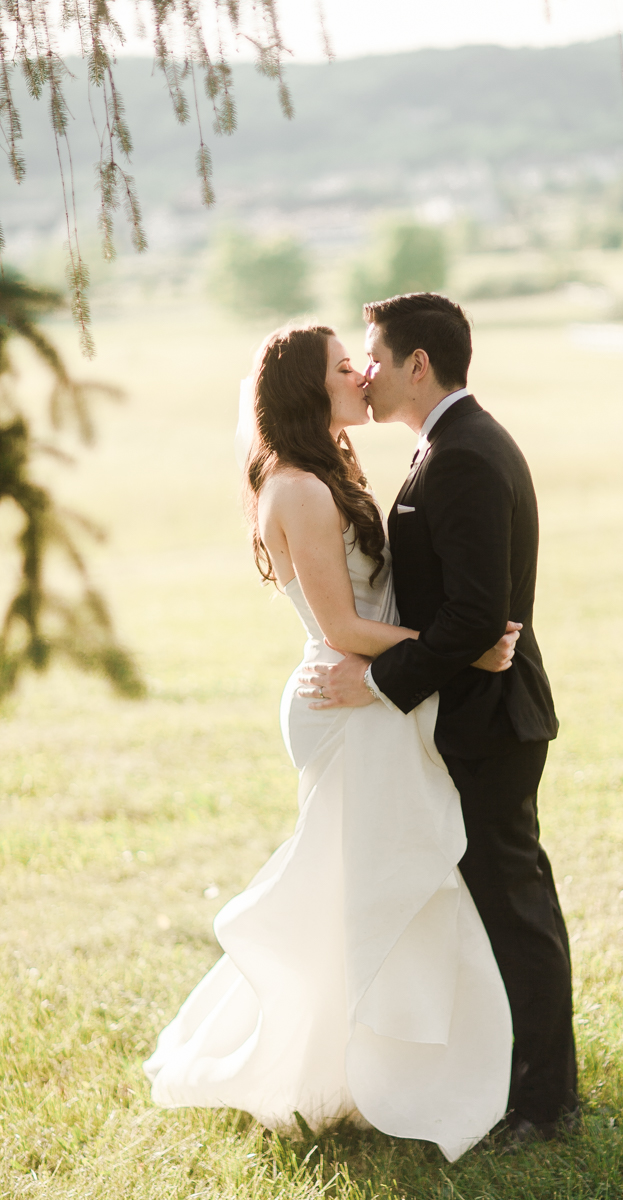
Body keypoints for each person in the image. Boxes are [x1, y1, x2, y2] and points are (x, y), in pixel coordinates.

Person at [143, 323, 523, 1162]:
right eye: (340, 365)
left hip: (367, 695)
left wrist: (448, 640)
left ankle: (388, 1055)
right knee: (373, 884)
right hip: (344, 700)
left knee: (374, 883)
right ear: (310, 392)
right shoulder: (300, 490)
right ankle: (349, 1064)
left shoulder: (326, 471)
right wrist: (460, 639)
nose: (360, 370)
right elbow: (347, 627)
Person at [298, 293, 578, 1144]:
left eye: (377, 356)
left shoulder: (464, 455)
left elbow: (472, 618)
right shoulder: (445, 446)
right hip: (471, 708)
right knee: (496, 901)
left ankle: (546, 1102)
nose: (368, 373)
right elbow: (462, 620)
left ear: (420, 363)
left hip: (491, 720)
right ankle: (504, 1075)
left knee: (515, 903)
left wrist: (375, 682)